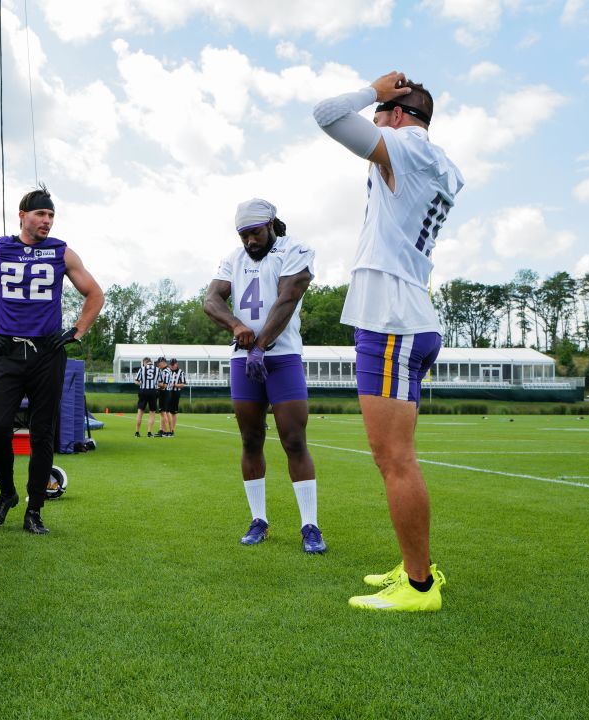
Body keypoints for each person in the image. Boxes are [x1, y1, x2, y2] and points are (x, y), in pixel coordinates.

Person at [314, 71, 464, 611]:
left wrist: (372, 92)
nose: (374, 128)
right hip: (409, 313)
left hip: (392, 319)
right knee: (396, 456)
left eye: (380, 115)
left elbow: (328, 114)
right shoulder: (436, 159)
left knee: (394, 458)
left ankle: (420, 586)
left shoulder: (403, 145)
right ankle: (414, 564)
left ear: (399, 115)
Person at [0, 184, 104, 534]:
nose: (47, 221)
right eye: (41, 213)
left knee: (43, 434)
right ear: (22, 215)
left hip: (47, 355)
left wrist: (76, 331)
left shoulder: (61, 252)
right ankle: (7, 494)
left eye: (51, 215)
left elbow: (95, 293)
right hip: (7, 352)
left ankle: (34, 508)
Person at [204, 198, 326, 555]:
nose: (249, 241)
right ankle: (259, 520)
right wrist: (236, 324)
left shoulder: (296, 250)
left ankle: (310, 525)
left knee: (293, 439)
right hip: (244, 361)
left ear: (271, 224)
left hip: (282, 357)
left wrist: (261, 345)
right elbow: (211, 299)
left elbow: (288, 297)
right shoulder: (234, 258)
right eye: (243, 235)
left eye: (254, 233)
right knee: (250, 438)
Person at [159, 359, 187, 437]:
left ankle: (172, 430)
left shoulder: (181, 372)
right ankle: (162, 429)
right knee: (165, 411)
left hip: (175, 393)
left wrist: (175, 385)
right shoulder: (168, 371)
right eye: (171, 364)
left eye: (173, 364)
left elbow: (183, 384)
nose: (172, 366)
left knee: (173, 412)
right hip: (168, 392)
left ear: (176, 364)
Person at [132, 357, 159, 437]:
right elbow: (160, 383)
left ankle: (137, 432)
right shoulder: (157, 369)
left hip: (143, 391)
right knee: (152, 412)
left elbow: (136, 381)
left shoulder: (142, 369)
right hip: (153, 391)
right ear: (150, 362)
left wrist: (142, 383)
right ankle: (149, 433)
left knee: (140, 412)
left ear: (144, 362)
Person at [151, 357, 171, 436]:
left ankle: (165, 431)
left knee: (163, 412)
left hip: (164, 392)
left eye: (159, 363)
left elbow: (164, 385)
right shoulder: (166, 370)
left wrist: (156, 386)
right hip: (166, 392)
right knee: (164, 412)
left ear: (163, 362)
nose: (158, 365)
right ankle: (164, 430)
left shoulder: (165, 371)